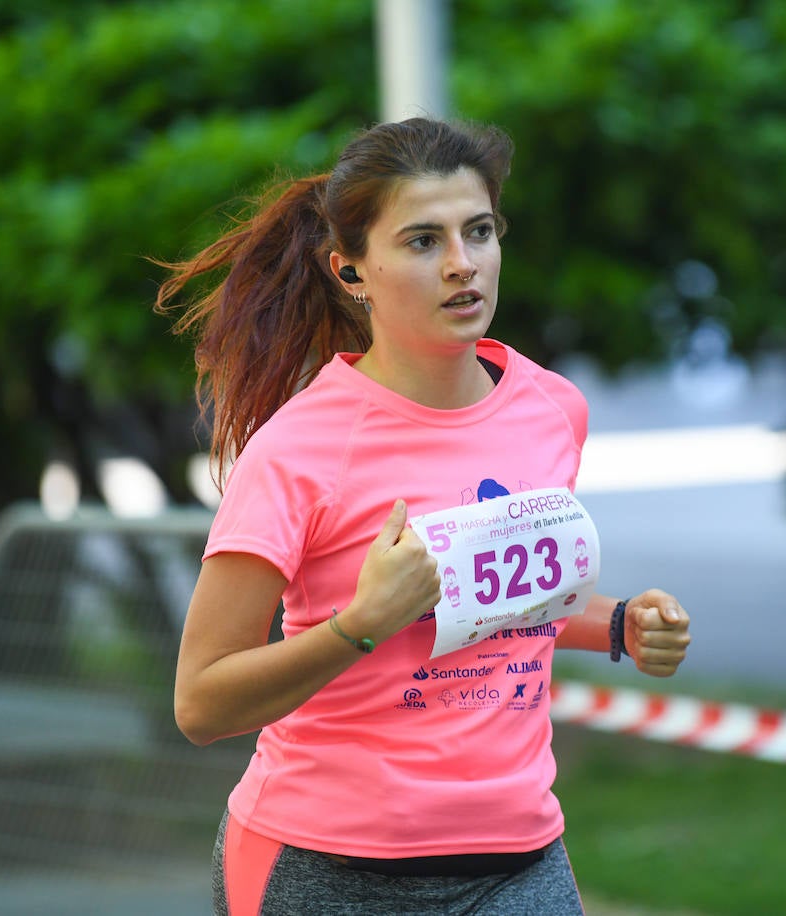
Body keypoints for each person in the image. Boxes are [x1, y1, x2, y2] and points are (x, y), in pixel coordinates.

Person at [157, 117, 692, 916]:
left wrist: (620, 623)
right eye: (421, 241)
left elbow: (505, 602)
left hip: (518, 858)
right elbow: (201, 703)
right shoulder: (300, 450)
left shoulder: (551, 410)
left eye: (479, 231)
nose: (461, 264)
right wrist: (360, 623)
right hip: (325, 870)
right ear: (352, 271)